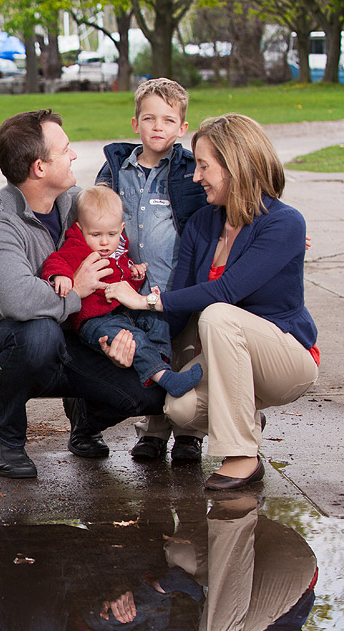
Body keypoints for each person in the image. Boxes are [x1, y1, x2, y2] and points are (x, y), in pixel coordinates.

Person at [104, 113, 319, 490]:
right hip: (227, 359)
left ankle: (242, 456)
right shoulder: (203, 224)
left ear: (235, 166)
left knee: (220, 315)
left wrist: (144, 302)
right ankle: (242, 416)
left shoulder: (284, 223)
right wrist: (126, 335)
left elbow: (225, 292)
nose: (196, 175)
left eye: (204, 166)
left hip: (285, 359)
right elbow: (181, 304)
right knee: (180, 409)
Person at [0, 109, 165, 479]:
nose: (73, 156)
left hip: (74, 335)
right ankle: (4, 437)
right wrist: (80, 289)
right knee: (39, 333)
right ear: (39, 167)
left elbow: (122, 228)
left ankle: (85, 420)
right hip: (3, 343)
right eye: (65, 149)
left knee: (147, 392)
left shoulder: (74, 205)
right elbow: (20, 302)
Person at [96, 77, 209, 464]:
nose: (157, 127)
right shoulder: (116, 170)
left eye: (167, 119)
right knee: (151, 353)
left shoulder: (189, 173)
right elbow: (94, 212)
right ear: (135, 124)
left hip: (176, 285)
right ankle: (154, 431)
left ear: (182, 128)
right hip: (132, 289)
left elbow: (228, 200)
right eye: (149, 118)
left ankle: (189, 434)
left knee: (185, 352)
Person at [40, 185, 202, 399]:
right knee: (134, 338)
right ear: (80, 228)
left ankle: (160, 363)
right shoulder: (77, 246)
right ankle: (166, 379)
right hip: (95, 320)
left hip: (120, 311)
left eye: (111, 234)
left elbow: (121, 279)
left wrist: (135, 275)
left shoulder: (119, 248)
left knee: (156, 319)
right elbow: (56, 260)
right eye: (96, 234)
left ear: (121, 228)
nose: (105, 242)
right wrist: (60, 276)